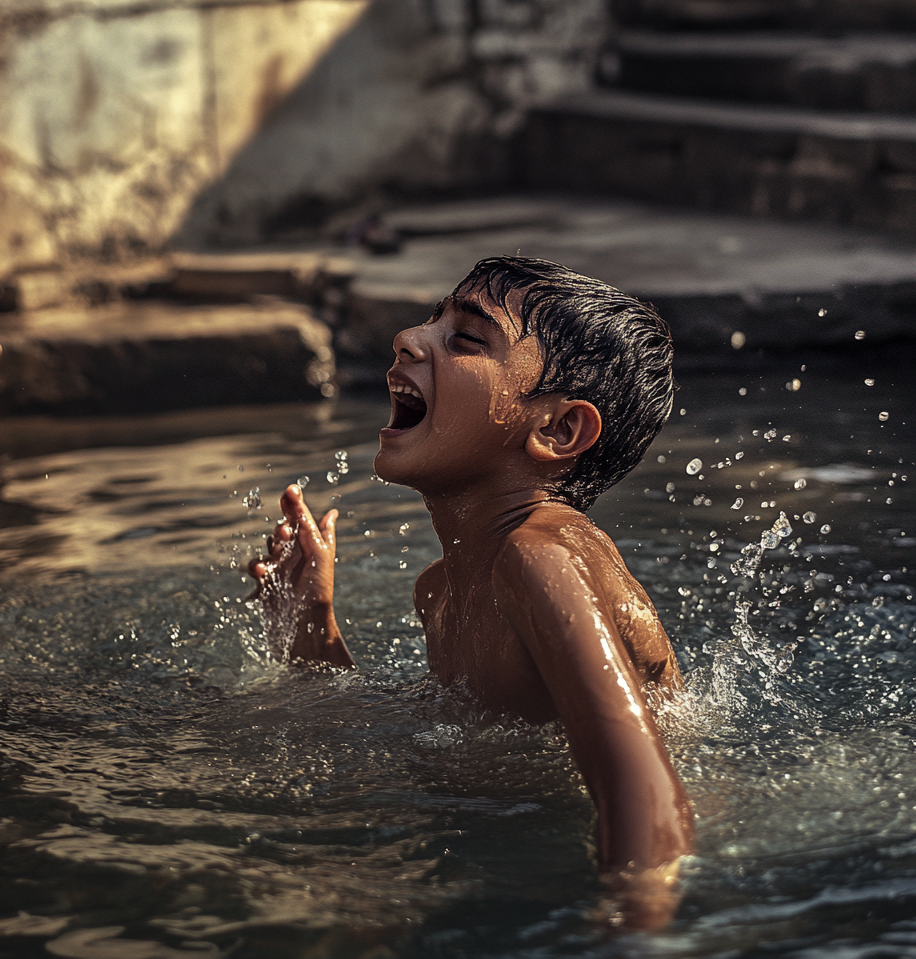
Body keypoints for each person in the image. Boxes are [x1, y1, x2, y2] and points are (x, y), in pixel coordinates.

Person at [248, 256, 693, 928]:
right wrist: (313, 626)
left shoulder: (538, 559)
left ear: (557, 430)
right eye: (431, 319)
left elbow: (642, 786)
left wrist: (640, 922)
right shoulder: (440, 590)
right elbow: (431, 740)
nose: (409, 338)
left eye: (465, 339)